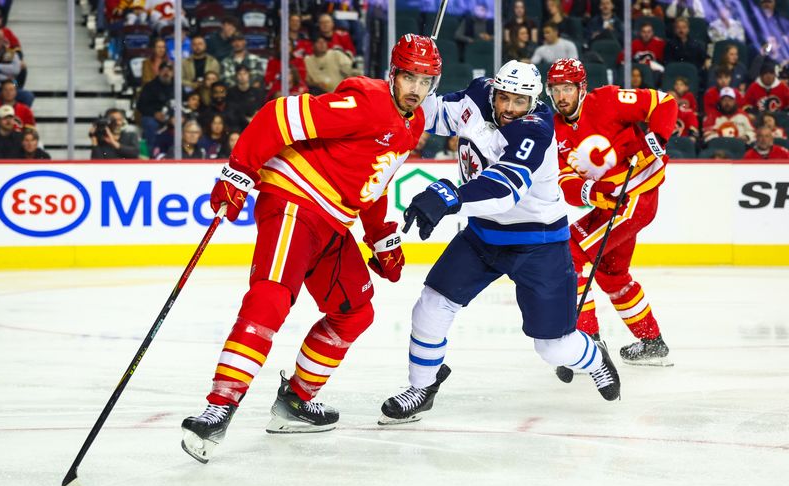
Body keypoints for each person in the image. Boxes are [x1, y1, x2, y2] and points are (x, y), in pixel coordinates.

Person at [180, 34, 443, 463]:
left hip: (334, 222)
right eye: (409, 76)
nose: (416, 88)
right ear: (393, 74)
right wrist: (238, 171)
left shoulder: (411, 125)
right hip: (294, 203)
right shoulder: (366, 100)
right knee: (270, 297)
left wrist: (381, 237)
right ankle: (219, 406)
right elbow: (279, 115)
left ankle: (296, 402)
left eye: (426, 80)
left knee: (355, 311)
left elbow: (372, 180)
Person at [378, 61, 622, 426]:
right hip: (482, 237)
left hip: (538, 243)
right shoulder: (478, 94)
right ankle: (422, 387)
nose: (509, 108)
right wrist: (402, 101)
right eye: (504, 98)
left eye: (519, 102)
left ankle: (594, 356)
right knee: (431, 305)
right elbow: (437, 113)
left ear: (534, 101)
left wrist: (448, 196)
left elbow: (503, 189)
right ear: (494, 90)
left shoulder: (535, 130)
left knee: (553, 348)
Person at [546, 58, 677, 370]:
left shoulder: (607, 100)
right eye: (556, 90)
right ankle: (652, 341)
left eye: (568, 88)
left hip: (635, 195)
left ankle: (587, 342)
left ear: (582, 88)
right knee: (611, 272)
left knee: (570, 254)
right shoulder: (554, 130)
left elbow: (664, 102)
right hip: (611, 203)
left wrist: (656, 138)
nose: (562, 96)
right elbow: (565, 180)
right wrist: (592, 193)